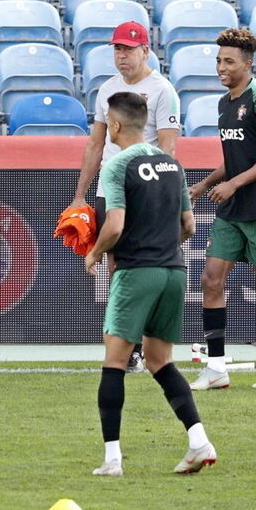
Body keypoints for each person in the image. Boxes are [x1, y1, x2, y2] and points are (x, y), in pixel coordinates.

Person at [85, 92, 215, 476]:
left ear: (117, 125)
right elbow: (188, 226)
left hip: (136, 272)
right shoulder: (173, 165)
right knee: (161, 362)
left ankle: (112, 459)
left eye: (108, 120)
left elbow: (115, 225)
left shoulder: (117, 165)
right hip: (174, 272)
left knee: (114, 362)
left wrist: (93, 253)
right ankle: (199, 442)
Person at [188, 27, 256, 391]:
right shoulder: (224, 104)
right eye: (218, 60)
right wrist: (205, 183)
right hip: (232, 211)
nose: (221, 67)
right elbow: (234, 158)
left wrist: (233, 183)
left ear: (248, 64)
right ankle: (216, 368)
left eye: (229, 61)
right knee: (210, 280)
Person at [69, 21, 182, 374]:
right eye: (117, 49)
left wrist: (167, 191)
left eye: (129, 49)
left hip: (146, 184)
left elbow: (167, 148)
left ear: (145, 50)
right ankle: (129, 346)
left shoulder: (163, 91)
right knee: (117, 264)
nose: (122, 56)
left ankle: (146, 345)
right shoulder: (107, 89)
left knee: (141, 262)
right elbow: (95, 144)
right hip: (110, 184)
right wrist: (80, 195)